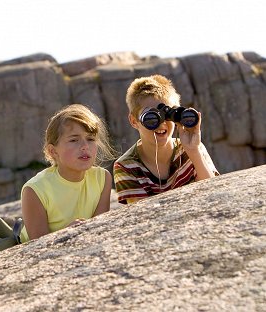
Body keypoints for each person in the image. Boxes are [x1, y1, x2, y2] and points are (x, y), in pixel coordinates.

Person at [113, 74, 219, 204]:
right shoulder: (126, 166)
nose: (161, 123)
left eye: (168, 115)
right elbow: (141, 216)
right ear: (134, 121)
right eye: (151, 118)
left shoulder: (192, 149)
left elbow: (212, 193)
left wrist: (194, 151)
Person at [20, 104, 116, 242]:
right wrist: (65, 234)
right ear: (53, 151)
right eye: (73, 140)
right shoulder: (35, 190)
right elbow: (37, 245)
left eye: (90, 139)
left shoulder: (102, 178)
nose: (84, 146)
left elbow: (98, 229)